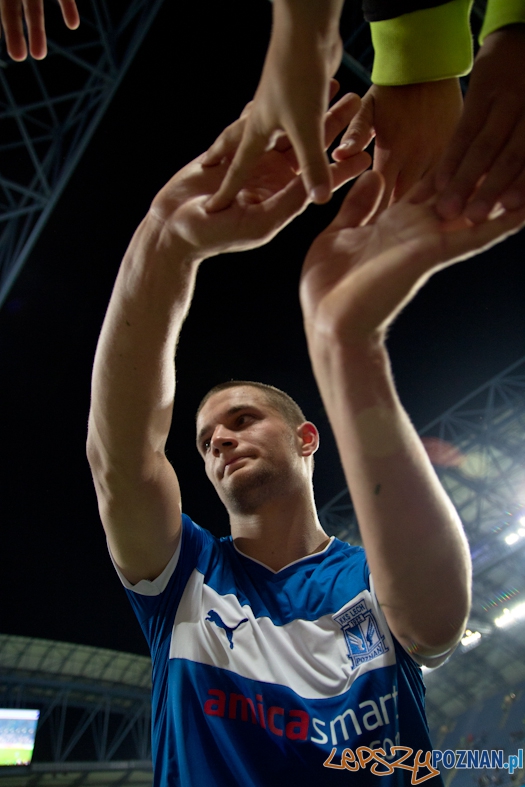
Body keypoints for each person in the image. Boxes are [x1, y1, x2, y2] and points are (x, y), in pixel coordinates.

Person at [86, 86, 525, 783]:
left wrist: (348, 343)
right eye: (204, 440)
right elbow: (120, 459)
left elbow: (436, 622)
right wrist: (165, 239)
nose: (219, 441)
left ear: (306, 439)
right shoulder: (184, 579)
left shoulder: (368, 578)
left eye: (242, 419)